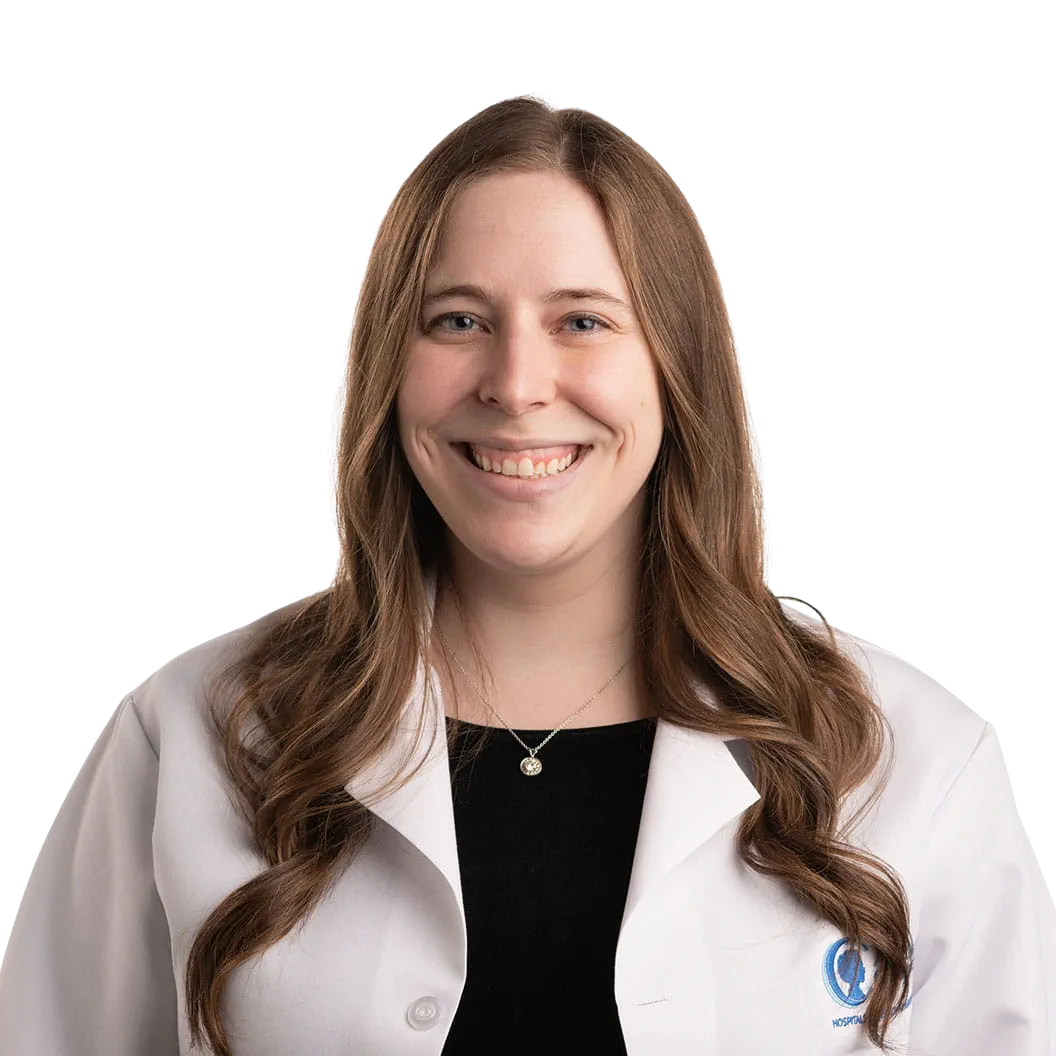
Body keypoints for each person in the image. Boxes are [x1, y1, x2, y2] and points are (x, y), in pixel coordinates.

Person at [1, 92, 1052, 1056]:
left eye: (582, 321)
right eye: (457, 320)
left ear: (675, 370)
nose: (515, 384)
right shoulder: (188, 729)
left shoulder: (914, 760)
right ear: (385, 368)